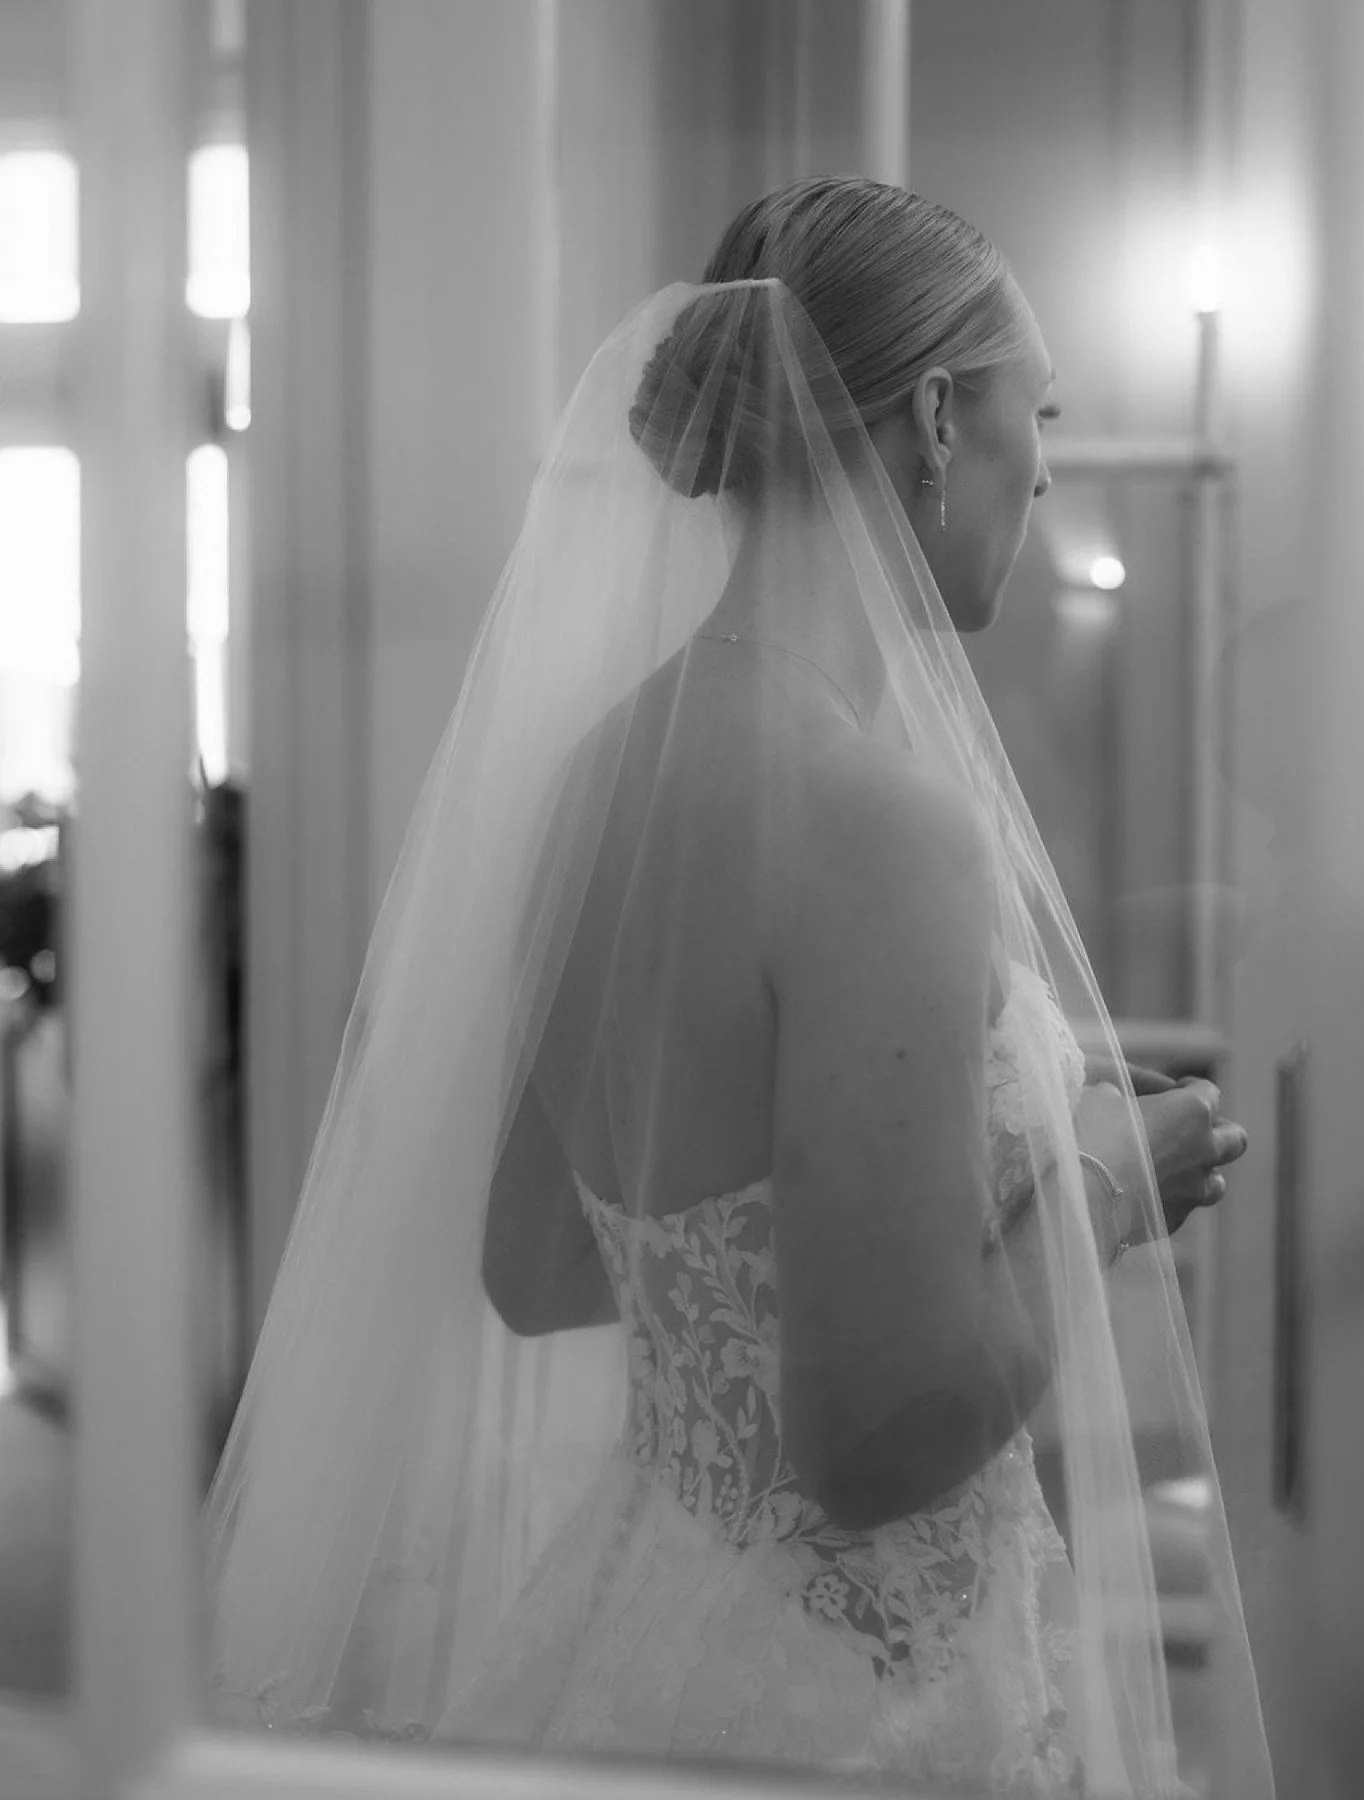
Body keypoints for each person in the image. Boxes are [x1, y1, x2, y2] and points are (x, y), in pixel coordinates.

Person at [204, 178, 1273, 1799]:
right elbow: (871, 1444)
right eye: (1031, 411)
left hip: (644, 1608)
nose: (1046, 465)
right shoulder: (875, 823)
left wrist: (831, 1234)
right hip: (860, 1699)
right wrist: (1109, 1186)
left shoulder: (599, 777)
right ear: (929, 417)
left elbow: (539, 1258)